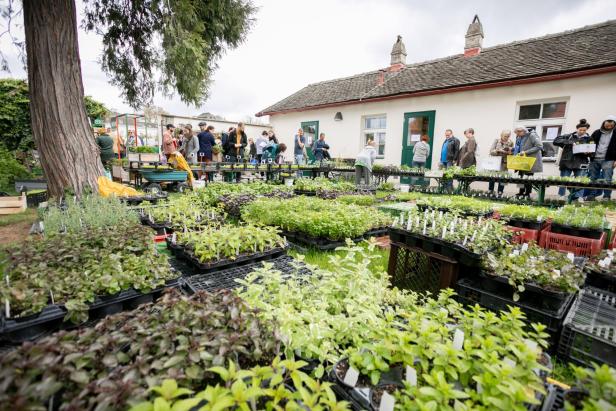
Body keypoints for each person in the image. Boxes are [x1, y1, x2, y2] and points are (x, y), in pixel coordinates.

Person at [553, 119, 592, 201]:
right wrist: (570, 142)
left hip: (581, 162)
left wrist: (588, 153)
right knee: (564, 181)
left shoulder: (589, 139)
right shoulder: (569, 136)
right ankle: (561, 196)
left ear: (586, 130)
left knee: (580, 181)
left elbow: (592, 152)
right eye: (580, 130)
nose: (582, 131)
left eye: (584, 130)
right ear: (577, 129)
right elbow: (556, 141)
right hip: (567, 162)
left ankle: (577, 198)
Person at [585, 115, 616, 201]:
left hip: (608, 159)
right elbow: (589, 143)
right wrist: (588, 151)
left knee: (607, 179)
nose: (609, 126)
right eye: (607, 125)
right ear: (603, 123)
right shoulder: (596, 132)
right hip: (594, 159)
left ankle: (606, 196)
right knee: (593, 178)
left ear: (614, 125)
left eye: (611, 125)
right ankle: (591, 195)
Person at [512, 126, 543, 199]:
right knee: (520, 178)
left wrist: (526, 152)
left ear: (522, 131)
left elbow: (539, 146)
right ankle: (520, 192)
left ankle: (527, 193)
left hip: (530, 160)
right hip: (521, 160)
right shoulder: (519, 137)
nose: (517, 135)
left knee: (528, 178)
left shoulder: (532, 135)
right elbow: (519, 147)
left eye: (518, 133)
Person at [488, 130, 514, 197]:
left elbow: (512, 153)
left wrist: (509, 152)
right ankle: (490, 191)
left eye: (508, 136)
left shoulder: (511, 142)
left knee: (503, 178)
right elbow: (491, 151)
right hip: (495, 162)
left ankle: (500, 192)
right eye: (505, 136)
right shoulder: (496, 140)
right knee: (492, 177)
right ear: (501, 135)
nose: (506, 137)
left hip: (504, 163)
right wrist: (497, 151)